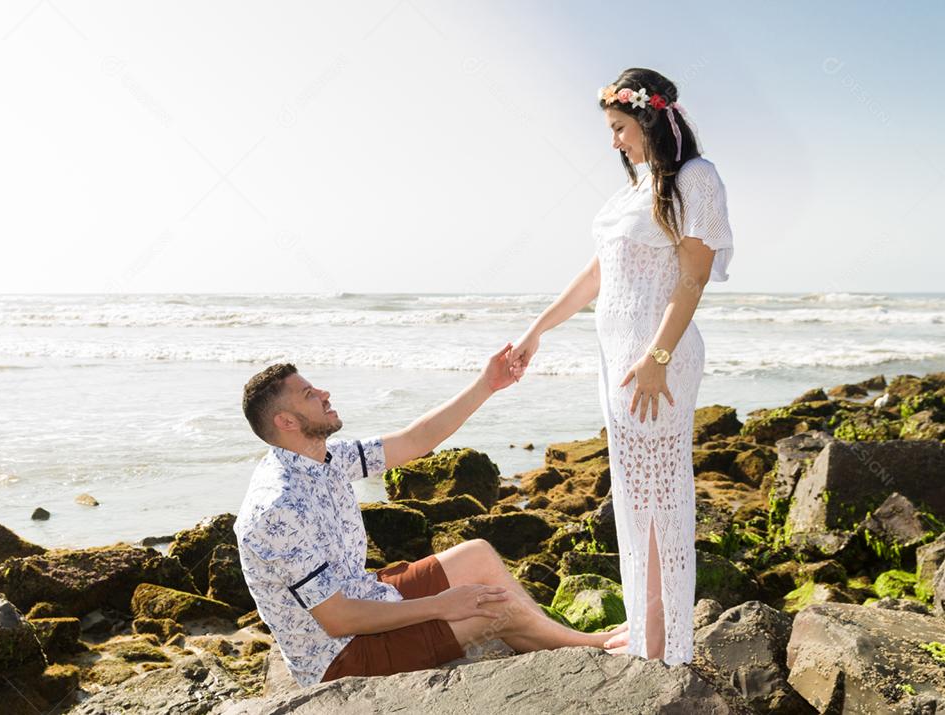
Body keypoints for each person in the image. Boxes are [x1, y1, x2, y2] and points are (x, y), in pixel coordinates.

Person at [509, 67, 735, 665]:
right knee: (635, 498)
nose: (614, 142)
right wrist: (537, 331)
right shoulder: (635, 190)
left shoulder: (695, 178)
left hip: (659, 362)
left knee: (661, 497)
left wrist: (658, 356)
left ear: (648, 118)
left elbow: (693, 276)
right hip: (619, 364)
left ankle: (662, 642)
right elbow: (596, 275)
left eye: (618, 128)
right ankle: (646, 626)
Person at [233, 345, 618, 688]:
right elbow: (338, 620)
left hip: (365, 594)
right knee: (495, 610)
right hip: (340, 656)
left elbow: (417, 440)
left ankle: (559, 637)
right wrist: (442, 604)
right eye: (309, 394)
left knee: (477, 554)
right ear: (286, 422)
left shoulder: (325, 459)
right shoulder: (277, 508)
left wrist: (488, 384)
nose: (324, 393)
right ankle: (600, 649)